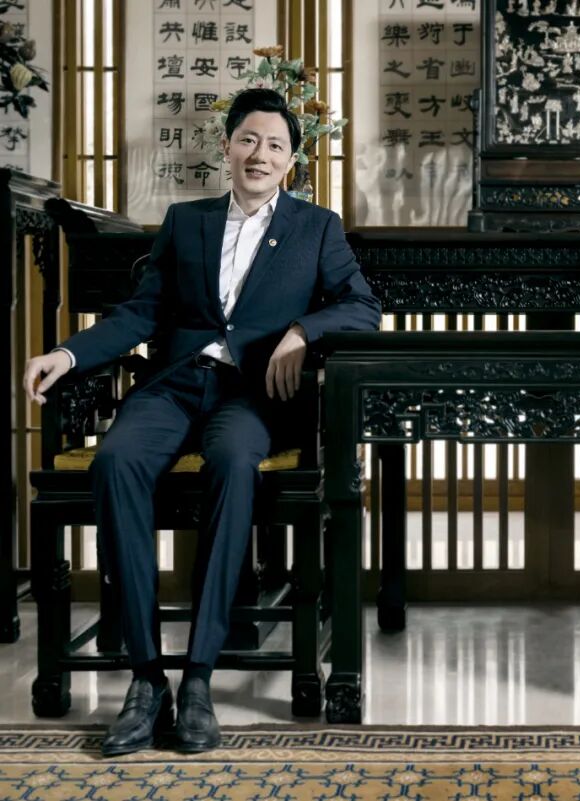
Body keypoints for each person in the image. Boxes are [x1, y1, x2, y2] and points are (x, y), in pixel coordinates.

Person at [23, 88, 382, 756]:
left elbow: (363, 306)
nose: (260, 154)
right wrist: (66, 354)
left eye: (275, 145)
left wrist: (302, 330)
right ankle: (145, 679)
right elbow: (140, 313)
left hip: (250, 397)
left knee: (234, 462)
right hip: (172, 387)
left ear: (292, 160)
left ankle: (197, 678)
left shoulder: (316, 227)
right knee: (115, 461)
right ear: (227, 146)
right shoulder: (186, 221)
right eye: (249, 140)